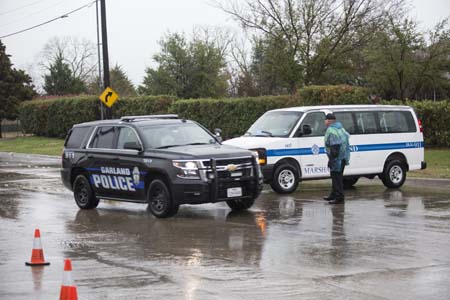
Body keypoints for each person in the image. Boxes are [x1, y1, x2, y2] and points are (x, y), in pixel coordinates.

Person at [323, 113, 350, 204]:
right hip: (343, 157)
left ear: (329, 121)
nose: (324, 121)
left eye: (325, 120)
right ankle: (333, 194)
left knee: (336, 178)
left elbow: (335, 147)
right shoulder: (341, 128)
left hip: (336, 158)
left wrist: (331, 159)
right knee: (336, 177)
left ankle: (339, 197)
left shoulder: (331, 130)